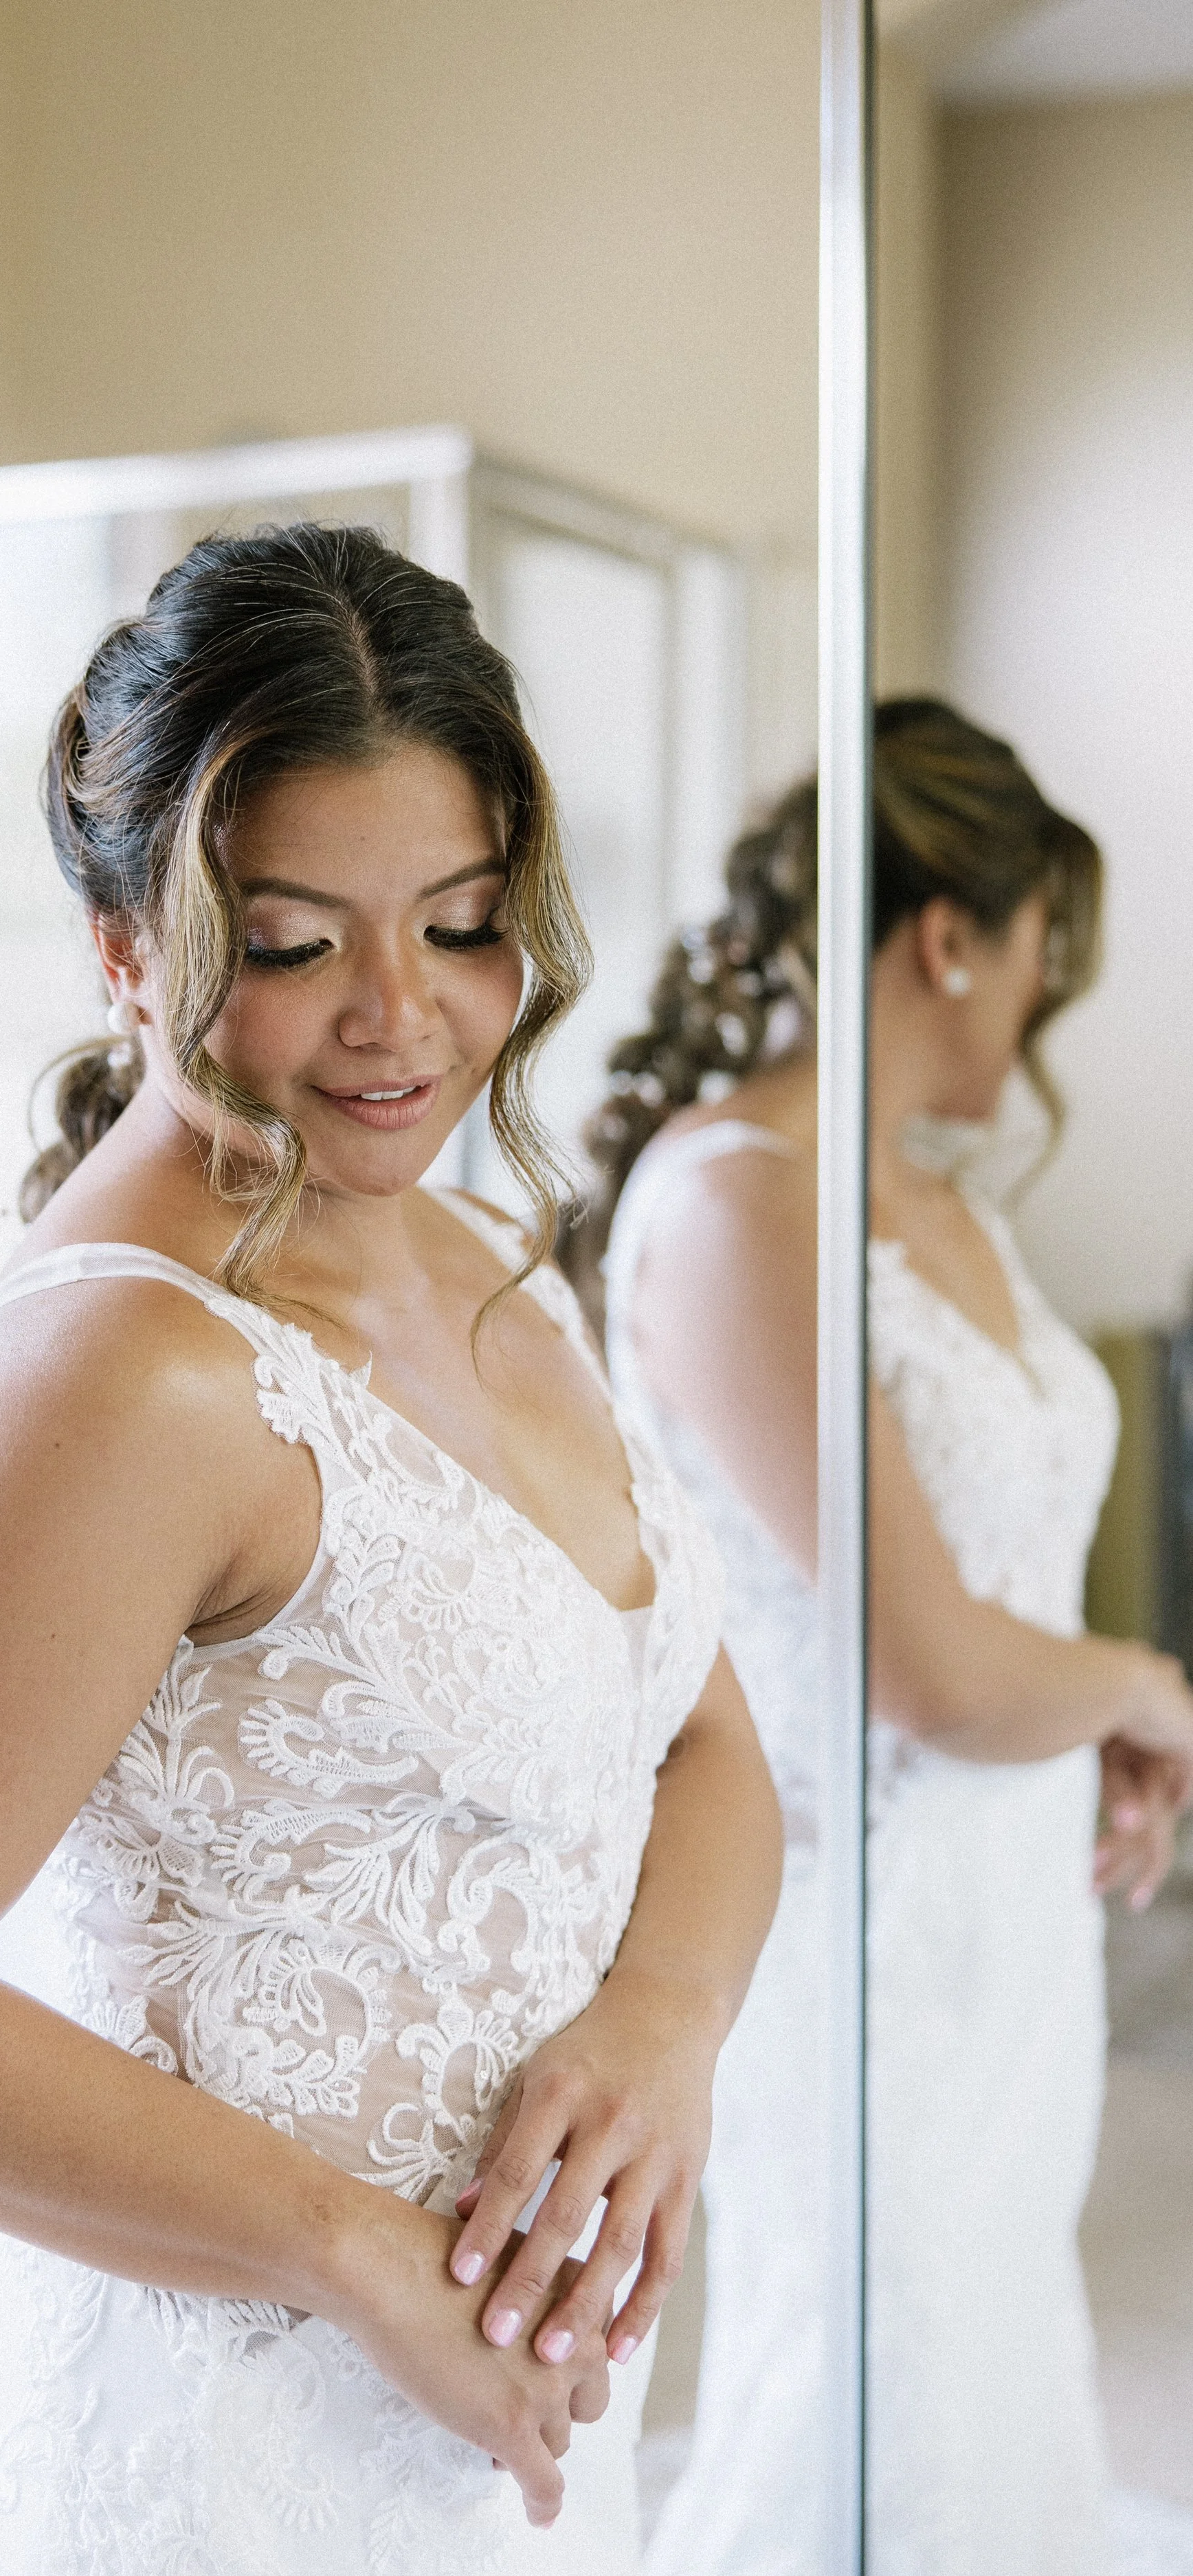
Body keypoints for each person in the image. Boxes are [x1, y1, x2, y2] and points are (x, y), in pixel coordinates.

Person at [0, 525, 782, 2576]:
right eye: (294, 944)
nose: (404, 1021)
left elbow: (700, 1734)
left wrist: (661, 2019)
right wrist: (359, 2257)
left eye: (462, 924)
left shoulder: (489, 1258)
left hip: (505, 2430)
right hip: (230, 2449)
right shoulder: (120, 1374)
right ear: (130, 948)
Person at [566, 697, 1193, 2576]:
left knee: (993, 2365)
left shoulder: (926, 1194)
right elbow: (916, 1659)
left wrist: (1074, 1723)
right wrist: (1150, 1686)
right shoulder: (735, 1211)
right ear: (948, 936)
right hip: (852, 1921)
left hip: (1002, 1915)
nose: (1032, 1010)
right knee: (866, 2394)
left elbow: (989, 1600)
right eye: (1035, 958)